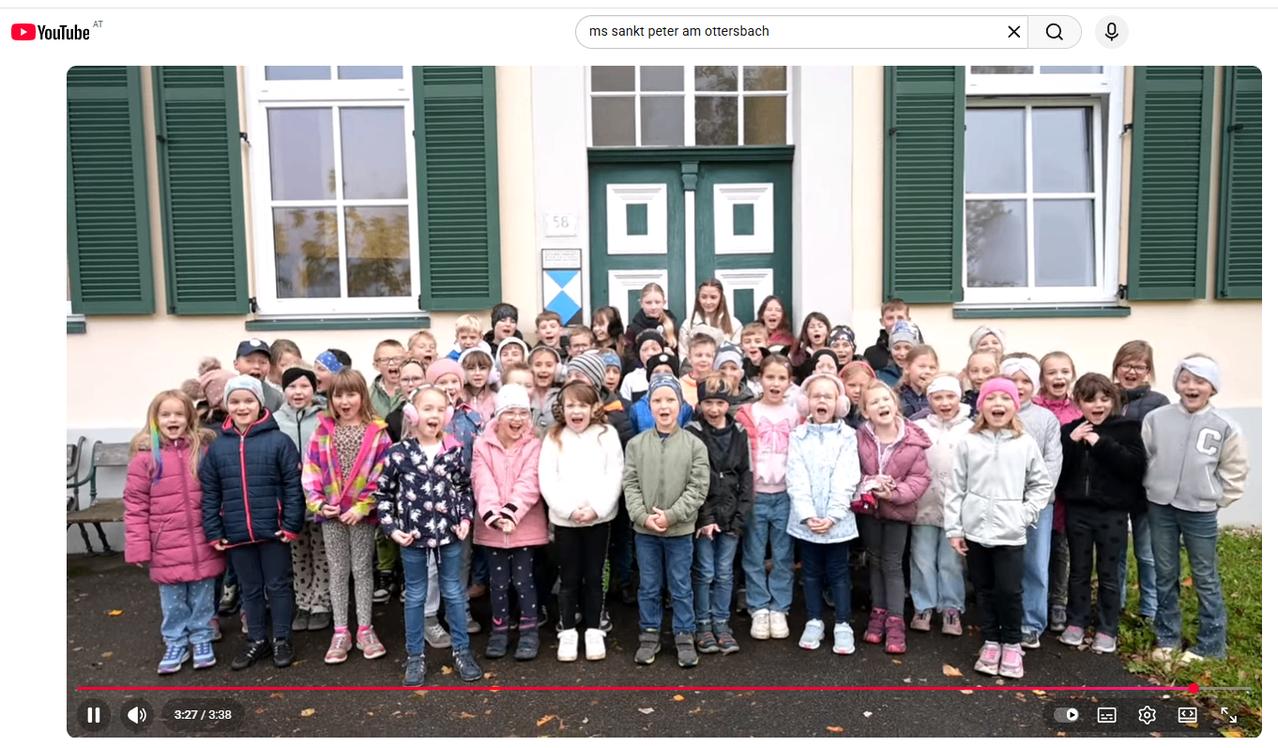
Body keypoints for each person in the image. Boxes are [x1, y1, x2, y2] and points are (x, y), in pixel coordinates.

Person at [945, 378, 1054, 680]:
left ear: (1014, 406)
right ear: (981, 406)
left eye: (1004, 399)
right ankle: (991, 641)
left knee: (1009, 590)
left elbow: (1041, 483)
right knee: (984, 588)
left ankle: (1012, 643)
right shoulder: (969, 441)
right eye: (991, 398)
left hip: (1010, 532)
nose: (998, 404)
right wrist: (955, 528)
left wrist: (1025, 513)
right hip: (975, 531)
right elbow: (956, 488)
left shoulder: (1025, 443)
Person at [374, 385, 483, 684]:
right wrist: (392, 528)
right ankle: (415, 656)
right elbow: (383, 494)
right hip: (412, 538)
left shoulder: (453, 451)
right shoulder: (398, 454)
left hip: (449, 537)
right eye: (427, 408)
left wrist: (464, 518)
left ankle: (462, 651)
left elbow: (463, 489)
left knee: (454, 592)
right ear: (412, 414)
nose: (433, 414)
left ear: (446, 415)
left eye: (439, 409)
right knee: (416, 596)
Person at [1144, 355, 1250, 664]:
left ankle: (1211, 644)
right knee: (1165, 573)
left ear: (1212, 388)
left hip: (1200, 512)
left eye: (1200, 381)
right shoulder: (1158, 418)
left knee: (1204, 575)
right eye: (1185, 379)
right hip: (1161, 506)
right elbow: (1148, 453)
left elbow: (1235, 469)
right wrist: (1152, 484)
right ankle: (1167, 636)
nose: (1191, 387)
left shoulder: (1225, 426)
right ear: (1176, 382)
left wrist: (1216, 498)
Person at [200, 375, 306, 670]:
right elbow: (210, 492)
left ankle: (283, 639)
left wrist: (291, 524)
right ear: (226, 405)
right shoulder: (218, 448)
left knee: (278, 586)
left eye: (248, 401)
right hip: (236, 532)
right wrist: (214, 529)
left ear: (260, 403)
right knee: (250, 589)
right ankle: (257, 640)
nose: (242, 407)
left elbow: (292, 487)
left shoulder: (279, 441)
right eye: (235, 401)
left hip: (273, 531)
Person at [124, 390, 225, 674]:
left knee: (204, 596)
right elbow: (135, 505)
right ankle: (176, 642)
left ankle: (202, 639)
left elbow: (216, 493)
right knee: (173, 600)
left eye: (179, 414)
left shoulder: (201, 452)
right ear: (155, 419)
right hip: (165, 545)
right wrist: (138, 546)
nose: (172, 419)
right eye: (165, 414)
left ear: (189, 418)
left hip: (202, 540)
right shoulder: (145, 459)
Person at [302, 369, 394, 665]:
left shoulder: (377, 433)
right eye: (338, 395)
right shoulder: (322, 431)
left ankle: (365, 628)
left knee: (363, 570)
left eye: (351, 394)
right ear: (330, 398)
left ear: (362, 396)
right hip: (332, 516)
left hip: (361, 516)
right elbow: (311, 471)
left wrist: (363, 506)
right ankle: (341, 631)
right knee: (338, 571)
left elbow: (383, 473)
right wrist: (318, 504)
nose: (345, 401)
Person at [1056, 374, 1148, 654]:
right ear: (1078, 403)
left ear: (1114, 400)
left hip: (1112, 513)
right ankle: (1077, 621)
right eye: (1090, 399)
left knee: (1109, 574)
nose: (1098, 405)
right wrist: (1071, 444)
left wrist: (1100, 443)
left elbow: (1134, 467)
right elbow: (1060, 475)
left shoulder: (1127, 429)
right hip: (1078, 511)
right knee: (1079, 571)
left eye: (1105, 399)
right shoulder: (1070, 430)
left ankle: (1108, 628)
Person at [624, 373, 710, 668]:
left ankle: (684, 634)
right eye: (657, 400)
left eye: (670, 400)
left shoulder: (694, 445)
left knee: (680, 584)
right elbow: (630, 485)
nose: (664, 406)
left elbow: (697, 488)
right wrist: (644, 517)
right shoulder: (635, 445)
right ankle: (649, 633)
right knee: (648, 585)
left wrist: (672, 515)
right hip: (645, 531)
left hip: (680, 530)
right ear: (648, 406)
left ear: (680, 405)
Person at [539, 381, 624, 662]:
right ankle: (567, 630)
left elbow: (615, 475)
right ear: (562, 409)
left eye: (583, 405)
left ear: (593, 408)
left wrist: (597, 510)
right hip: (566, 522)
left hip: (598, 520)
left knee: (594, 576)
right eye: (571, 405)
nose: (577, 411)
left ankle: (593, 628)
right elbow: (547, 479)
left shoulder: (607, 434)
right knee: (569, 577)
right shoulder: (554, 437)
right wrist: (567, 510)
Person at [855, 380, 932, 655]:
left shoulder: (912, 438)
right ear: (865, 411)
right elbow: (851, 471)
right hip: (869, 510)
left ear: (895, 404)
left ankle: (895, 620)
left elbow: (921, 477)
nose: (881, 405)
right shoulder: (860, 437)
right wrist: (871, 482)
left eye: (885, 399)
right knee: (874, 561)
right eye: (874, 402)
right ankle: (878, 613)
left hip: (898, 510)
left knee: (892, 563)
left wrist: (895, 492)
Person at [786, 373, 860, 654]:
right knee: (812, 572)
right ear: (807, 402)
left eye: (828, 396)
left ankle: (843, 624)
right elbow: (796, 476)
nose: (822, 401)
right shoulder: (798, 437)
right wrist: (807, 515)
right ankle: (814, 620)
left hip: (837, 522)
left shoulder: (848, 437)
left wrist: (832, 516)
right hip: (807, 522)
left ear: (838, 403)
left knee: (839, 572)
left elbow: (847, 478)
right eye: (816, 395)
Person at [473, 385, 548, 661]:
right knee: (498, 582)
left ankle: (529, 632)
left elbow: (530, 482)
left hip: (524, 527)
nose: (517, 419)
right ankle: (499, 631)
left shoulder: (534, 446)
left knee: (524, 581)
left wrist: (512, 513)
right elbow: (482, 482)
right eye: (511, 413)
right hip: (492, 529)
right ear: (499, 416)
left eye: (523, 413)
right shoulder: (482, 446)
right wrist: (493, 515)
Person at [735, 355, 802, 641]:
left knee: (784, 555)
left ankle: (779, 607)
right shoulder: (747, 412)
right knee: (753, 553)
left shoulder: (797, 415)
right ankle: (759, 607)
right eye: (770, 377)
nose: (775, 383)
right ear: (759, 379)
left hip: (785, 495)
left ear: (789, 382)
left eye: (781, 378)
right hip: (756, 495)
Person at [686, 374, 754, 655]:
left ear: (729, 404)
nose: (714, 410)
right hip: (706, 517)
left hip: (732, 515)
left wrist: (740, 519)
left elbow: (746, 478)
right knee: (704, 572)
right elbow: (693, 477)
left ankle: (721, 623)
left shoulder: (739, 433)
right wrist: (706, 517)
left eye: (720, 403)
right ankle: (702, 624)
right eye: (708, 403)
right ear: (700, 403)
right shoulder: (693, 432)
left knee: (725, 573)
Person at [1001, 354, 1064, 650]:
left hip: (1037, 505)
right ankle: (1005, 619)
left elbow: (1052, 462)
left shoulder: (1045, 419)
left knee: (1035, 564)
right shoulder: (994, 413)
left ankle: (1030, 622)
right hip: (1000, 502)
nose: (1019, 386)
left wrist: (1036, 500)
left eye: (1026, 381)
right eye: (1013, 380)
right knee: (1003, 564)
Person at [425, 358, 486, 632]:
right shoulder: (424, 417)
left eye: (454, 381)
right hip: (430, 502)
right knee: (433, 565)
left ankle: (458, 611)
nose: (449, 387)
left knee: (461, 559)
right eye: (442, 382)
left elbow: (482, 456)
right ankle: (430, 615)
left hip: (463, 500)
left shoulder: (472, 418)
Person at [910, 375, 972, 637]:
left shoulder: (971, 428)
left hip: (955, 510)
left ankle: (951, 607)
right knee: (922, 558)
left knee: (952, 562)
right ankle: (923, 605)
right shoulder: (918, 426)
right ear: (929, 399)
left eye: (950, 396)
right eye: (938, 397)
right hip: (923, 504)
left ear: (960, 397)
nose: (945, 403)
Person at [1111, 340, 1169, 622]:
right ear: (1117, 367)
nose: (1132, 371)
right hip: (1115, 489)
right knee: (1116, 553)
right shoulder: (1108, 398)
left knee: (1146, 552)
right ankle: (1116, 603)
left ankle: (1150, 608)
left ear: (1149, 371)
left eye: (1139, 366)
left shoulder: (1158, 403)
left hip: (1146, 490)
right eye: (1126, 365)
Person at [274, 367, 331, 633]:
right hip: (289, 500)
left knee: (321, 552)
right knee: (297, 555)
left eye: (304, 386)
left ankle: (321, 603)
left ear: (314, 389)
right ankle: (304, 602)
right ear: (283, 390)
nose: (298, 392)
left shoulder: (324, 418)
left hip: (319, 498)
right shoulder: (274, 420)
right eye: (292, 387)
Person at [1033, 351, 1082, 633]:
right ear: (1042, 378)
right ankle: (1034, 599)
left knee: (1060, 546)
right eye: (1052, 372)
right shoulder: (1033, 408)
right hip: (1035, 491)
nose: (1058, 377)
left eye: (1064, 371)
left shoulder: (1077, 410)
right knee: (1036, 547)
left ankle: (1058, 600)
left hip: (1065, 490)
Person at [678, 279, 743, 361]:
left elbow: (736, 355)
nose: (708, 302)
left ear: (721, 298)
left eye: (713, 297)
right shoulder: (688, 325)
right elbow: (683, 355)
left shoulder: (733, 324)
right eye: (704, 297)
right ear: (698, 298)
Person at [630, 351, 693, 433]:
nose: (662, 375)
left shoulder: (685, 408)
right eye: (656, 372)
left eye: (668, 372)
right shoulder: (637, 408)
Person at [621, 282, 680, 354]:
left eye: (657, 302)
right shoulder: (633, 330)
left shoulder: (670, 326)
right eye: (648, 303)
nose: (653, 307)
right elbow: (629, 357)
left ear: (664, 303)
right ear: (641, 303)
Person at [233, 339, 285, 413]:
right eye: (249, 361)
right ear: (236, 364)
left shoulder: (276, 397)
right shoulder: (224, 392)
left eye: (262, 362)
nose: (257, 366)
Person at [863, 299, 913, 372]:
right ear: (882, 322)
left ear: (908, 321)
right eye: (890, 318)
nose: (895, 322)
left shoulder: (917, 350)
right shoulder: (871, 354)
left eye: (900, 318)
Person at [620, 330, 665, 402]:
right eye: (645, 349)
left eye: (654, 349)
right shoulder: (630, 379)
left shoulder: (669, 374)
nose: (650, 353)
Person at [897, 345, 939, 419]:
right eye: (922, 367)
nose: (927, 371)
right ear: (907, 368)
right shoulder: (898, 397)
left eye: (932, 368)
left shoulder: (940, 396)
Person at [529, 346, 563, 436]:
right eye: (538, 365)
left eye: (549, 365)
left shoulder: (562, 396)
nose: (543, 370)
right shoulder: (525, 394)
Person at [875, 321, 920, 388]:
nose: (902, 353)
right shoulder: (880, 377)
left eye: (908, 348)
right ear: (890, 349)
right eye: (897, 348)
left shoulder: (924, 375)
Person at [369, 339, 406, 418]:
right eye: (384, 360)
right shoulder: (368, 396)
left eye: (397, 358)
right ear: (376, 366)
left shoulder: (414, 391)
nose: (392, 363)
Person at [680, 333, 718, 408]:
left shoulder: (719, 383)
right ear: (689, 358)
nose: (703, 359)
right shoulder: (681, 385)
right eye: (699, 355)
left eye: (708, 356)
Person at [460, 347, 497, 423]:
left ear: (490, 371)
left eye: (482, 368)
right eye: (471, 368)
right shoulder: (458, 398)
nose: (477, 373)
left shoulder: (495, 399)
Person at [840, 361, 875, 432]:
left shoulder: (876, 413)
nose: (857, 390)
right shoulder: (837, 416)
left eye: (862, 386)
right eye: (852, 385)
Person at [739, 322, 769, 396]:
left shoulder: (772, 365)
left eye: (758, 341)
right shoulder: (739, 366)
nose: (752, 345)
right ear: (741, 345)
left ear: (766, 343)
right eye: (747, 342)